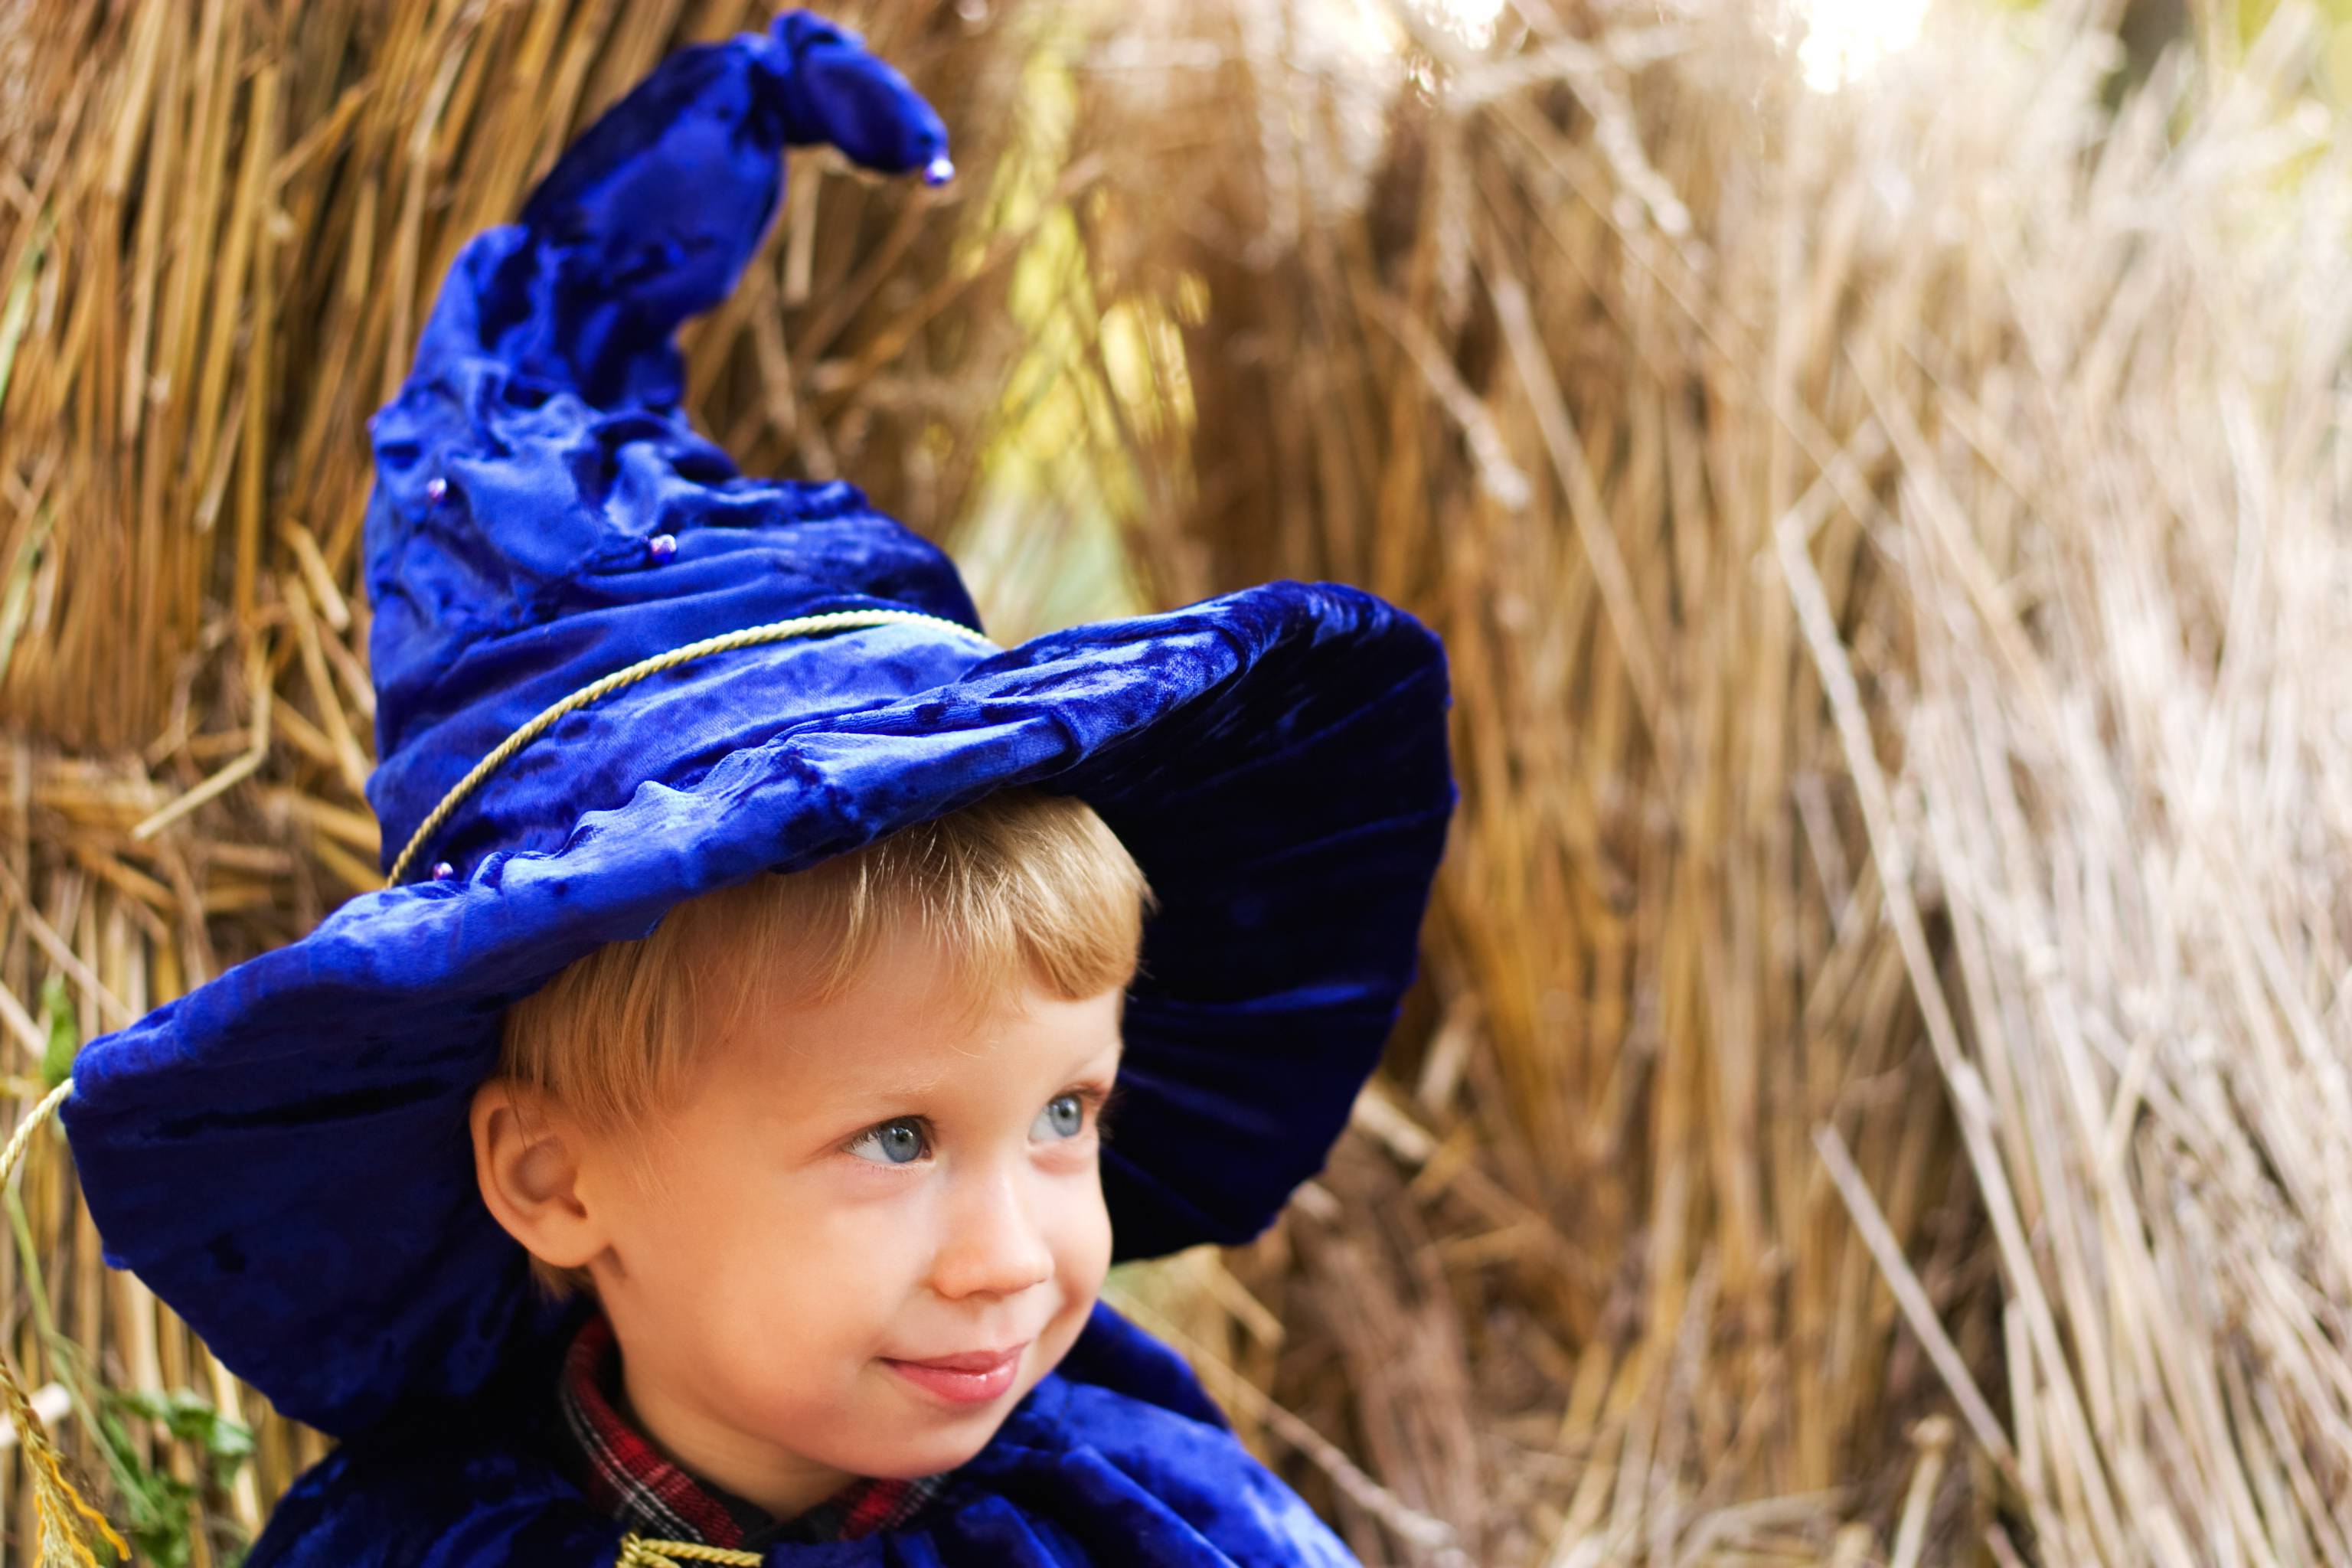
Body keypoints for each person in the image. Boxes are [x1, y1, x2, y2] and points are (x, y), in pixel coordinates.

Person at [48, 11, 1457, 1565]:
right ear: (553, 1176)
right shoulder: (407, 1544)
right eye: (900, 1139)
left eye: (1065, 1112)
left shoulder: (1155, 1526)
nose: (1012, 1258)